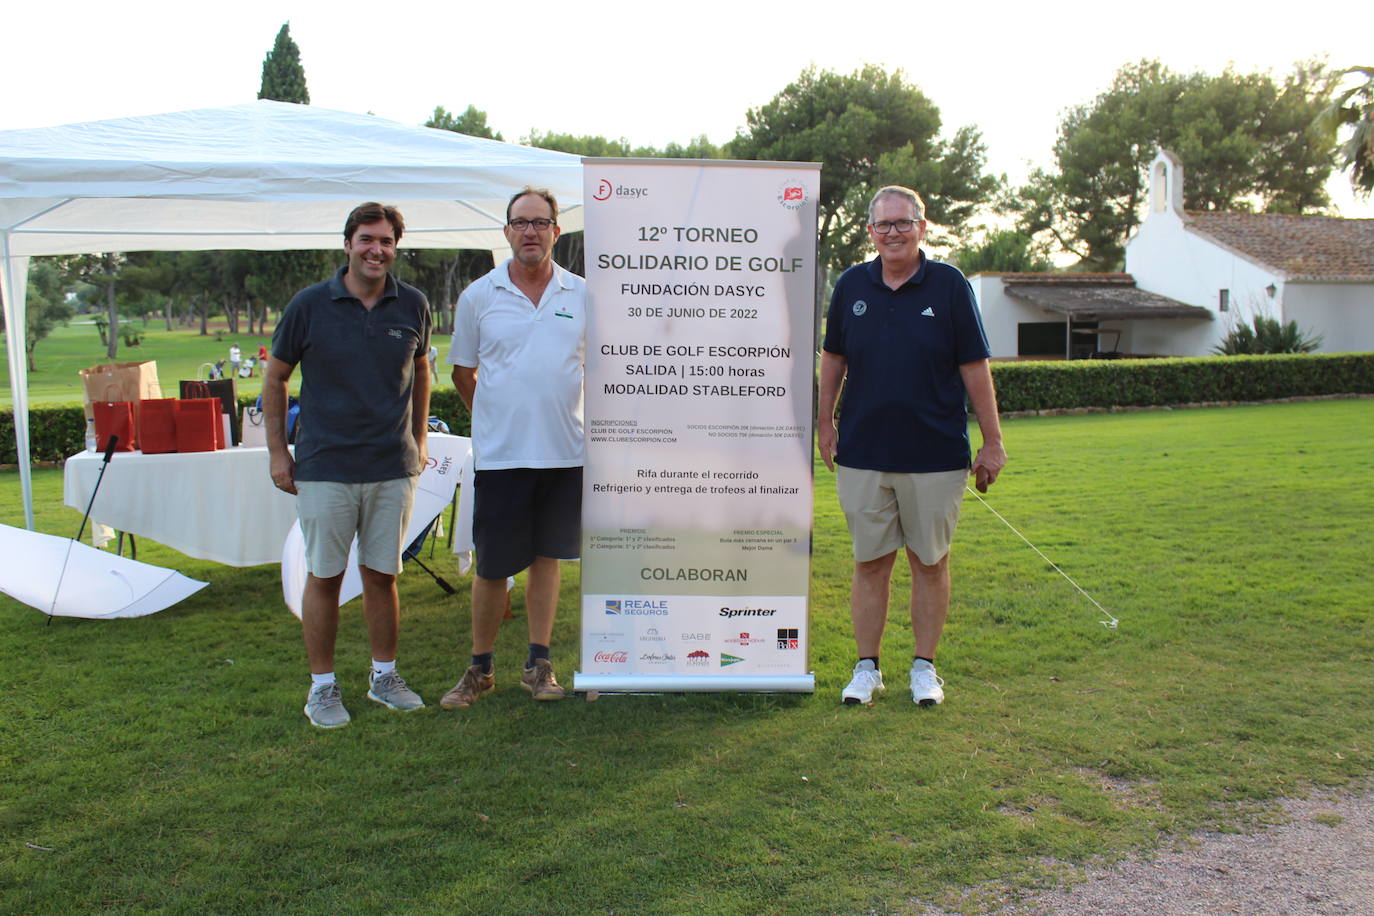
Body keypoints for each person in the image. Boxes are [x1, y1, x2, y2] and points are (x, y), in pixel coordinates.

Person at [818, 185, 1006, 708]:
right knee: (871, 563)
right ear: (871, 231)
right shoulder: (852, 283)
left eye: (903, 223)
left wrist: (992, 442)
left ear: (922, 227)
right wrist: (825, 425)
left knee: (930, 563)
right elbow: (833, 359)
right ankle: (866, 669)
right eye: (883, 225)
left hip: (936, 455)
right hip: (863, 452)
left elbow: (975, 365)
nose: (893, 233)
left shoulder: (948, 284)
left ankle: (924, 668)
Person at [264, 202, 432, 729]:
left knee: (382, 576)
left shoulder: (414, 305)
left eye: (385, 240)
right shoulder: (310, 304)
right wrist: (277, 451)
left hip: (391, 466)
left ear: (395, 247)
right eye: (366, 239)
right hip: (325, 467)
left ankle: (385, 678)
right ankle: (322, 689)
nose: (375, 249)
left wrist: (421, 437)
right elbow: (275, 378)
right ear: (348, 245)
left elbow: (423, 370)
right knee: (325, 578)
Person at [442, 187, 585, 708]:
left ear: (556, 232)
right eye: (520, 223)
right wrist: (495, 414)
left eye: (540, 222)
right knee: (493, 567)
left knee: (547, 559)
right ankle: (479, 669)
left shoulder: (582, 295)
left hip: (565, 453)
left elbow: (595, 368)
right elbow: (462, 372)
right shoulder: (479, 296)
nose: (530, 231)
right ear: (506, 231)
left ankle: (538, 665)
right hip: (502, 457)